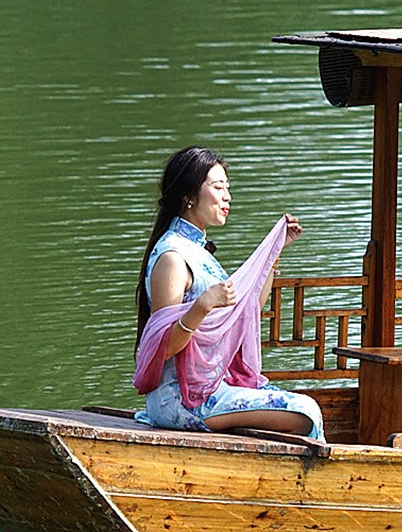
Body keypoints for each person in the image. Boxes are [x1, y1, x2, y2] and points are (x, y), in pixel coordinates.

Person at [132, 145, 325, 441]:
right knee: (305, 411)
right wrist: (202, 306)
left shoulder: (197, 253)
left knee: (302, 408)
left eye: (228, 188)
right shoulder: (172, 257)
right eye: (218, 187)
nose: (227, 197)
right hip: (179, 399)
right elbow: (162, 347)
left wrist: (274, 254)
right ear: (189, 195)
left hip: (209, 389)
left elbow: (246, 309)